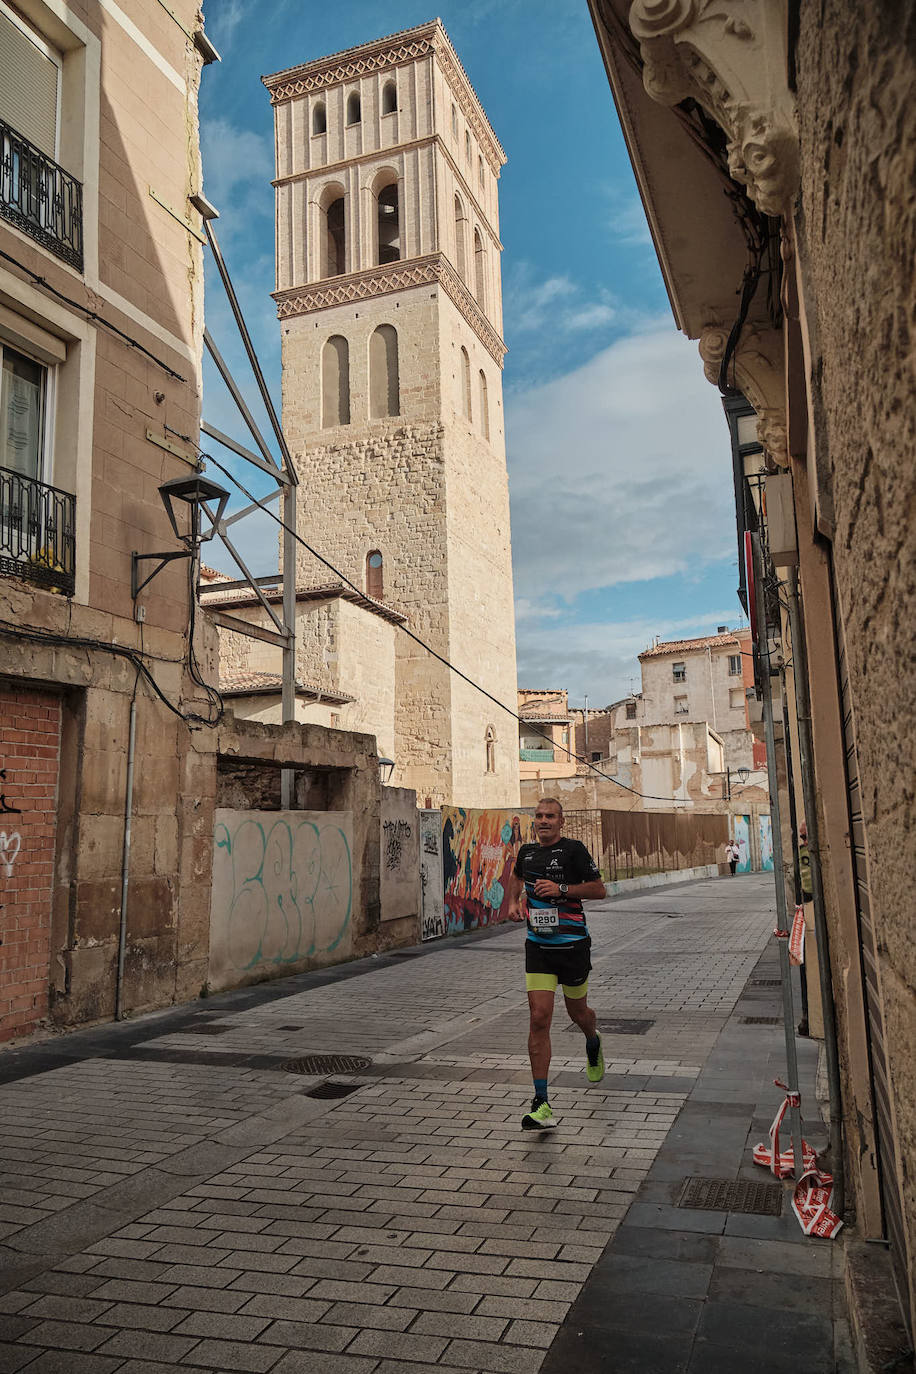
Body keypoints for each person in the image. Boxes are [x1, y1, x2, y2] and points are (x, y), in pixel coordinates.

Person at [507, 797, 608, 1130]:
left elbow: (599, 890)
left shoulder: (574, 850)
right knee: (539, 1017)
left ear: (561, 821)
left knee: (578, 1013)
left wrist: (562, 888)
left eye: (550, 816)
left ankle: (592, 1041)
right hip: (538, 946)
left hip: (573, 945)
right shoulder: (527, 853)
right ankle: (541, 1102)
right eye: (538, 816)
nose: (543, 821)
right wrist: (513, 902)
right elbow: (517, 878)